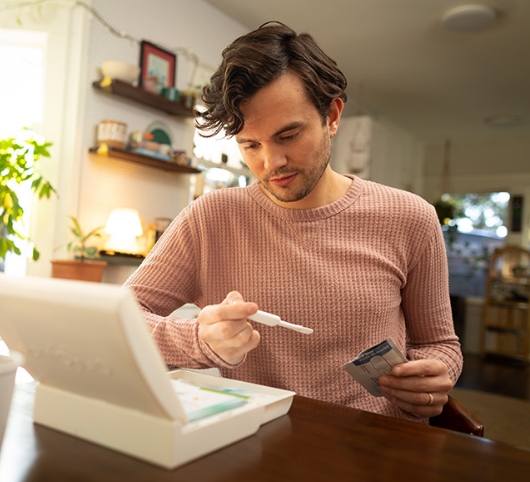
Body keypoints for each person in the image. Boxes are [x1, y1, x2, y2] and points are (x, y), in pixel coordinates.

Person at [124, 22, 461, 422]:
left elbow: (439, 344)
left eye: (288, 136)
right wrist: (197, 340)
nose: (271, 163)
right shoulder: (210, 218)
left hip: (374, 445)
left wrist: (435, 377)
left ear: (332, 116)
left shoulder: (411, 218)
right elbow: (122, 317)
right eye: (251, 145)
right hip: (253, 439)